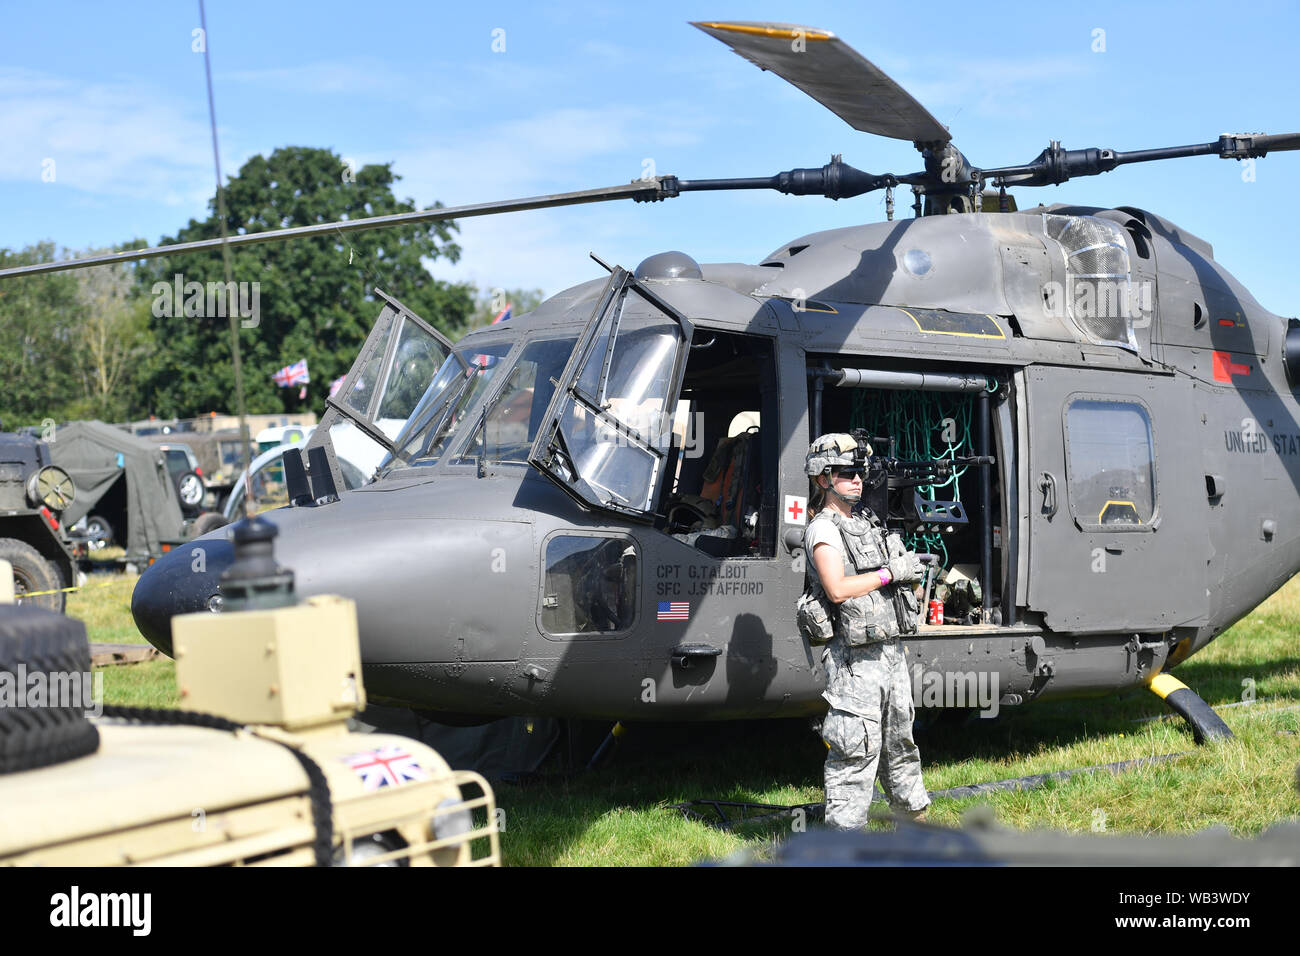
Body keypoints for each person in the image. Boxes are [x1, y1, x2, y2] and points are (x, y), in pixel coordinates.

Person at [803, 432, 930, 829]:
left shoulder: (865, 522)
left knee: (901, 744)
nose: (858, 480)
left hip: (889, 653)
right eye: (846, 473)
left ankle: (914, 822)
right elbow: (838, 588)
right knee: (855, 753)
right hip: (854, 662)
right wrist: (891, 573)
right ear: (823, 479)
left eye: (860, 472)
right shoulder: (823, 529)